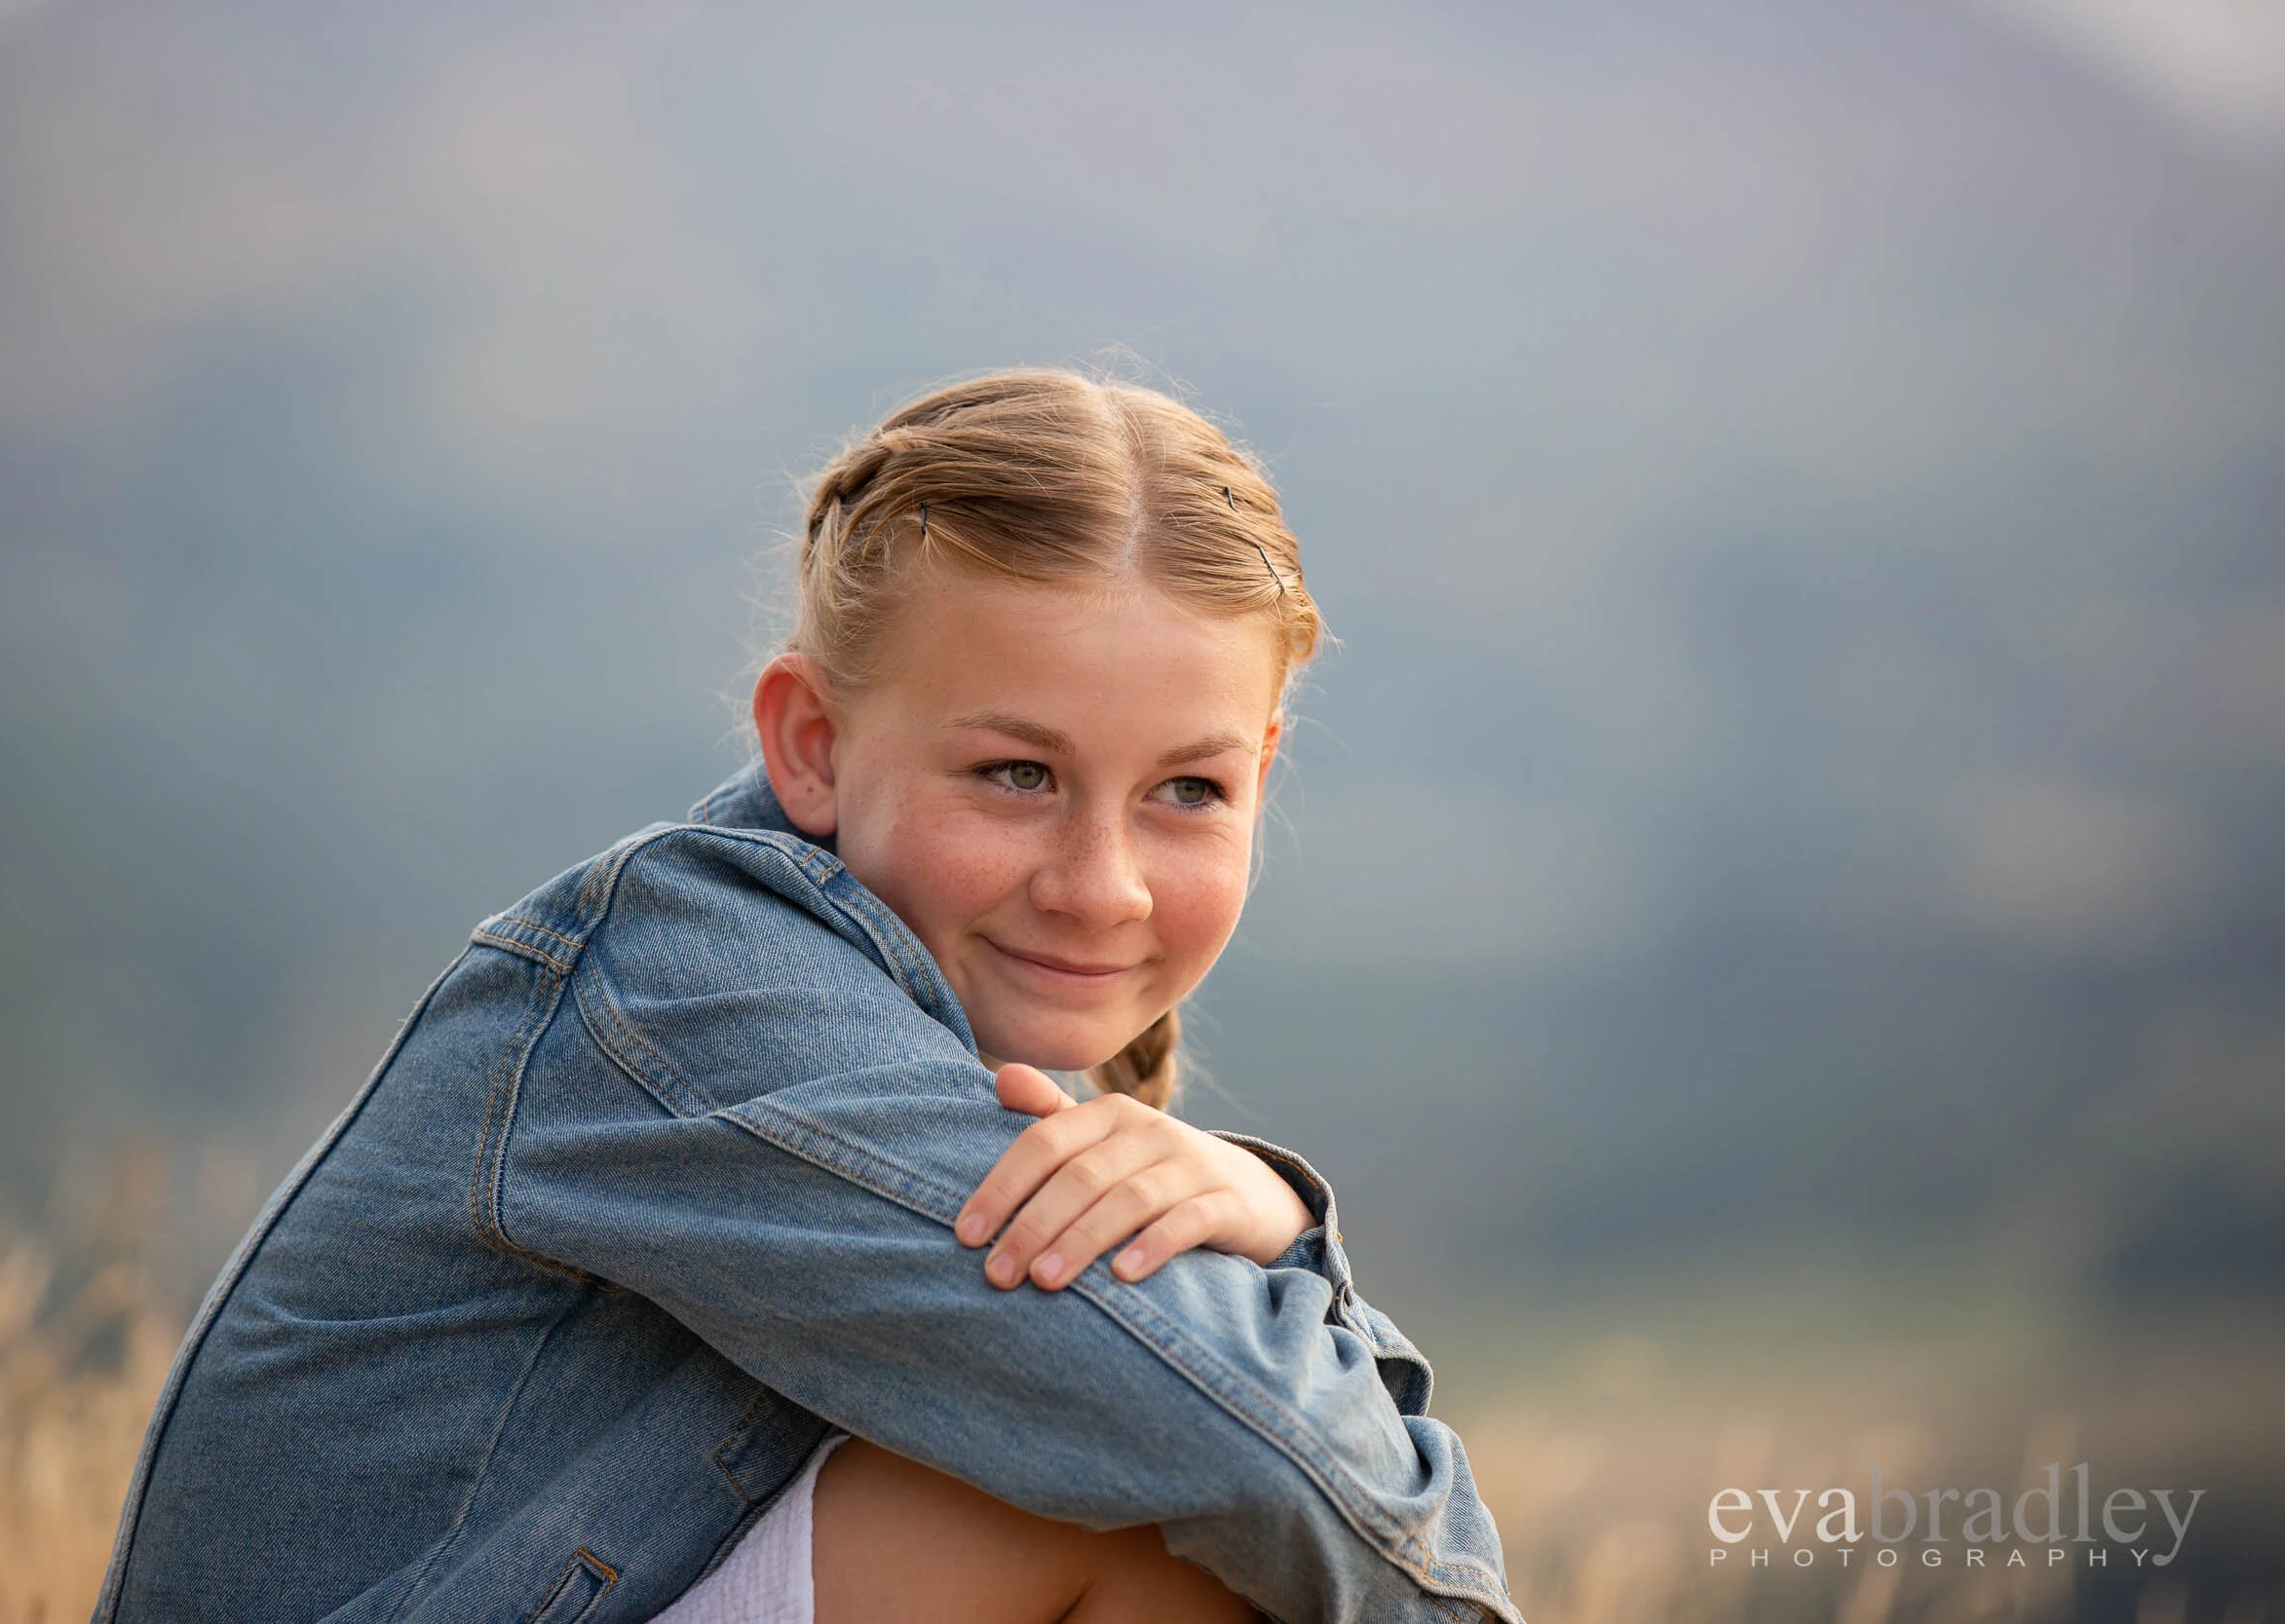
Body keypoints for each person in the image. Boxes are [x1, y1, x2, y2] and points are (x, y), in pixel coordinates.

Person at [92, 369, 1522, 1624]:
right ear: (813, 745)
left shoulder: (943, 1002)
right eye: (1017, 773)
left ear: (1262, 771)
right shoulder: (700, 999)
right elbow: (1258, 1458)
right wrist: (1298, 1255)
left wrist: (1272, 1217)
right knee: (1132, 1520)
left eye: (1188, 790)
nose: (1103, 887)